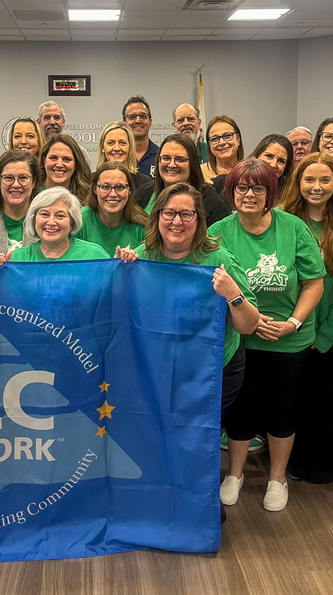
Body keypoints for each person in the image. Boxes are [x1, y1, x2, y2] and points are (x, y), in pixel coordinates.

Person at [118, 183, 260, 500]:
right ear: (157, 218)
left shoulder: (219, 258)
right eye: (169, 213)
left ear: (199, 220)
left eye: (186, 214)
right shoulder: (143, 257)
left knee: (193, 435)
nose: (177, 222)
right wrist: (123, 270)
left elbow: (249, 326)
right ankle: (164, 495)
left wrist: (233, 295)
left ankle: (194, 502)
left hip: (211, 373)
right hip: (160, 370)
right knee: (161, 432)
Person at [210, 159, 325, 511]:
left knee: (283, 410)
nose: (249, 194)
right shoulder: (218, 230)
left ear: (270, 192)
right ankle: (236, 473)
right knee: (241, 411)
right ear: (231, 191)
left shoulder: (293, 228)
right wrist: (252, 319)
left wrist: (293, 322)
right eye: (241, 187)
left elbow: (314, 282)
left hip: (288, 339)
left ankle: (277, 478)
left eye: (258, 188)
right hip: (242, 338)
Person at [282, 153, 333, 484]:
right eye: (309, 180)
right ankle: (292, 464)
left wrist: (327, 333)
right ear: (298, 184)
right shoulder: (282, 221)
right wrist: (296, 326)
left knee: (326, 402)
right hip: (292, 331)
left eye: (325, 180)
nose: (317, 187)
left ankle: (323, 464)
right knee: (293, 401)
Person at [0, 187, 107, 265]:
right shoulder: (18, 258)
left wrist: (123, 264)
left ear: (72, 222)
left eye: (60, 216)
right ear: (34, 219)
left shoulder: (95, 256)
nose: (51, 222)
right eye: (44, 214)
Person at [135, 134, 231, 226]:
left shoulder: (211, 204)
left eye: (180, 159)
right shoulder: (143, 193)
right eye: (166, 158)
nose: (171, 164)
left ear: (192, 164)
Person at [78, 161, 148, 255]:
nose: (113, 194)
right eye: (105, 187)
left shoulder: (143, 225)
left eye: (120, 187)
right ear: (95, 189)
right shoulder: (80, 220)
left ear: (129, 190)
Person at [213, 133, 292, 205]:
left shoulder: (289, 197)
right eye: (269, 156)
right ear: (257, 156)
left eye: (281, 161)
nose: (274, 164)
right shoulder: (222, 183)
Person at [0, 117, 44, 195]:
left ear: (39, 140)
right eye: (17, 136)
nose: (23, 141)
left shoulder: (47, 173)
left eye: (30, 136)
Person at [97, 121, 152, 191]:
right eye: (111, 143)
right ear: (102, 147)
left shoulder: (144, 183)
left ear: (130, 147)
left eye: (122, 143)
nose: (117, 148)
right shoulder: (90, 181)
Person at [39, 134, 92, 201]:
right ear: (44, 161)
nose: (59, 164)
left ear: (76, 165)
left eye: (67, 159)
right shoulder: (30, 192)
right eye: (53, 158)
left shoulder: (88, 199)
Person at [202, 115, 244, 182]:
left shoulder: (250, 170)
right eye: (214, 139)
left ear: (238, 139)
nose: (222, 142)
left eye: (227, 136)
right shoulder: (200, 174)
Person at [122, 96, 157, 175]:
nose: (138, 120)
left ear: (150, 122)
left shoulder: (160, 156)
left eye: (143, 116)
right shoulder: (118, 156)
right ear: (124, 123)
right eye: (132, 117)